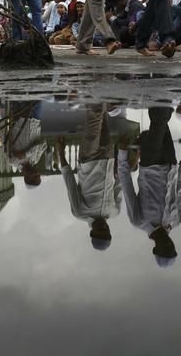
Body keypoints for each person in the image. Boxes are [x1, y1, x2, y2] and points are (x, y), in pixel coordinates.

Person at [119, 107, 181, 268]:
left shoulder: (139, 221)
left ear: (155, 250)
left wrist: (122, 153)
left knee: (159, 119)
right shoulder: (176, 220)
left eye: (164, 249)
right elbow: (179, 186)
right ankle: (160, 93)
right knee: (163, 116)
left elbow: (126, 185)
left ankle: (158, 90)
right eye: (172, 248)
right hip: (170, 161)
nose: (168, 245)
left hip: (150, 162)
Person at [56, 104, 122, 251]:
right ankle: (102, 88)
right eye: (107, 231)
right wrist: (119, 161)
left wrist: (61, 152)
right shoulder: (115, 212)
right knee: (103, 117)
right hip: (109, 158)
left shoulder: (80, 212)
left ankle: (96, 85)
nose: (104, 227)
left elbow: (70, 185)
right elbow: (119, 184)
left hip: (89, 159)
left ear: (92, 232)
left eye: (101, 231)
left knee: (95, 115)